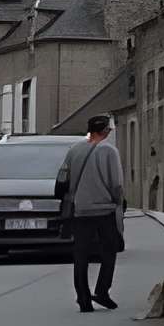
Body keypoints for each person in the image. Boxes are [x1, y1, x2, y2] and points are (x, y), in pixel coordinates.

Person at [55, 115, 129, 312]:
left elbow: (63, 177)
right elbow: (116, 184)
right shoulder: (109, 151)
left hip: (80, 210)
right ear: (105, 130)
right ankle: (102, 291)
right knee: (109, 252)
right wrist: (118, 202)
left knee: (81, 255)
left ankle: (83, 298)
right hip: (104, 210)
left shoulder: (75, 149)